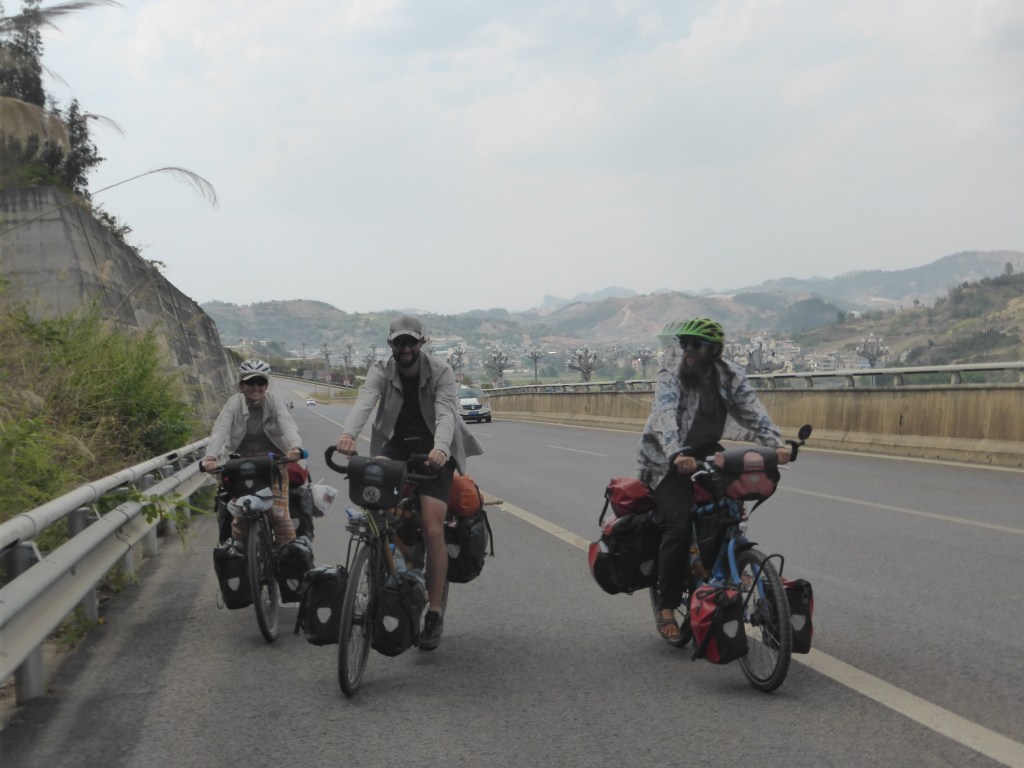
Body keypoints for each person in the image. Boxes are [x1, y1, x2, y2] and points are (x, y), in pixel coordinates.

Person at [637, 318, 790, 641]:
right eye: (685, 344)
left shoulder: (730, 374)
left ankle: (729, 563)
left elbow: (752, 410)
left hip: (705, 451)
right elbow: (664, 414)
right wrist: (677, 453)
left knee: (731, 505)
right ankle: (666, 605)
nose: (688, 351)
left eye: (697, 345)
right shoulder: (671, 373)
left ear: (715, 350)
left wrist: (775, 443)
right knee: (679, 526)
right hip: (665, 459)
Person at [335, 314, 483, 651]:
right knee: (372, 489)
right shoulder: (380, 370)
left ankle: (433, 612)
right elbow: (364, 401)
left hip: (434, 449)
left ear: (422, 343)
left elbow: (447, 413)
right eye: (398, 343)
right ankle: (390, 558)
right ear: (391, 345)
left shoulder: (441, 371)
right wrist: (347, 434)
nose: (404, 349)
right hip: (397, 445)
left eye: (410, 342)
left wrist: (441, 449)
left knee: (432, 528)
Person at [202, 359, 305, 547]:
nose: (255, 387)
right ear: (241, 385)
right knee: (240, 517)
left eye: (261, 382)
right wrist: (211, 457)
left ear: (266, 385)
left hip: (273, 463)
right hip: (241, 464)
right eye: (250, 382)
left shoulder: (275, 402)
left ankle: (284, 564)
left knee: (280, 517)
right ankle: (243, 561)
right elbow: (220, 431)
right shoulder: (233, 404)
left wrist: (295, 447)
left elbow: (287, 424)